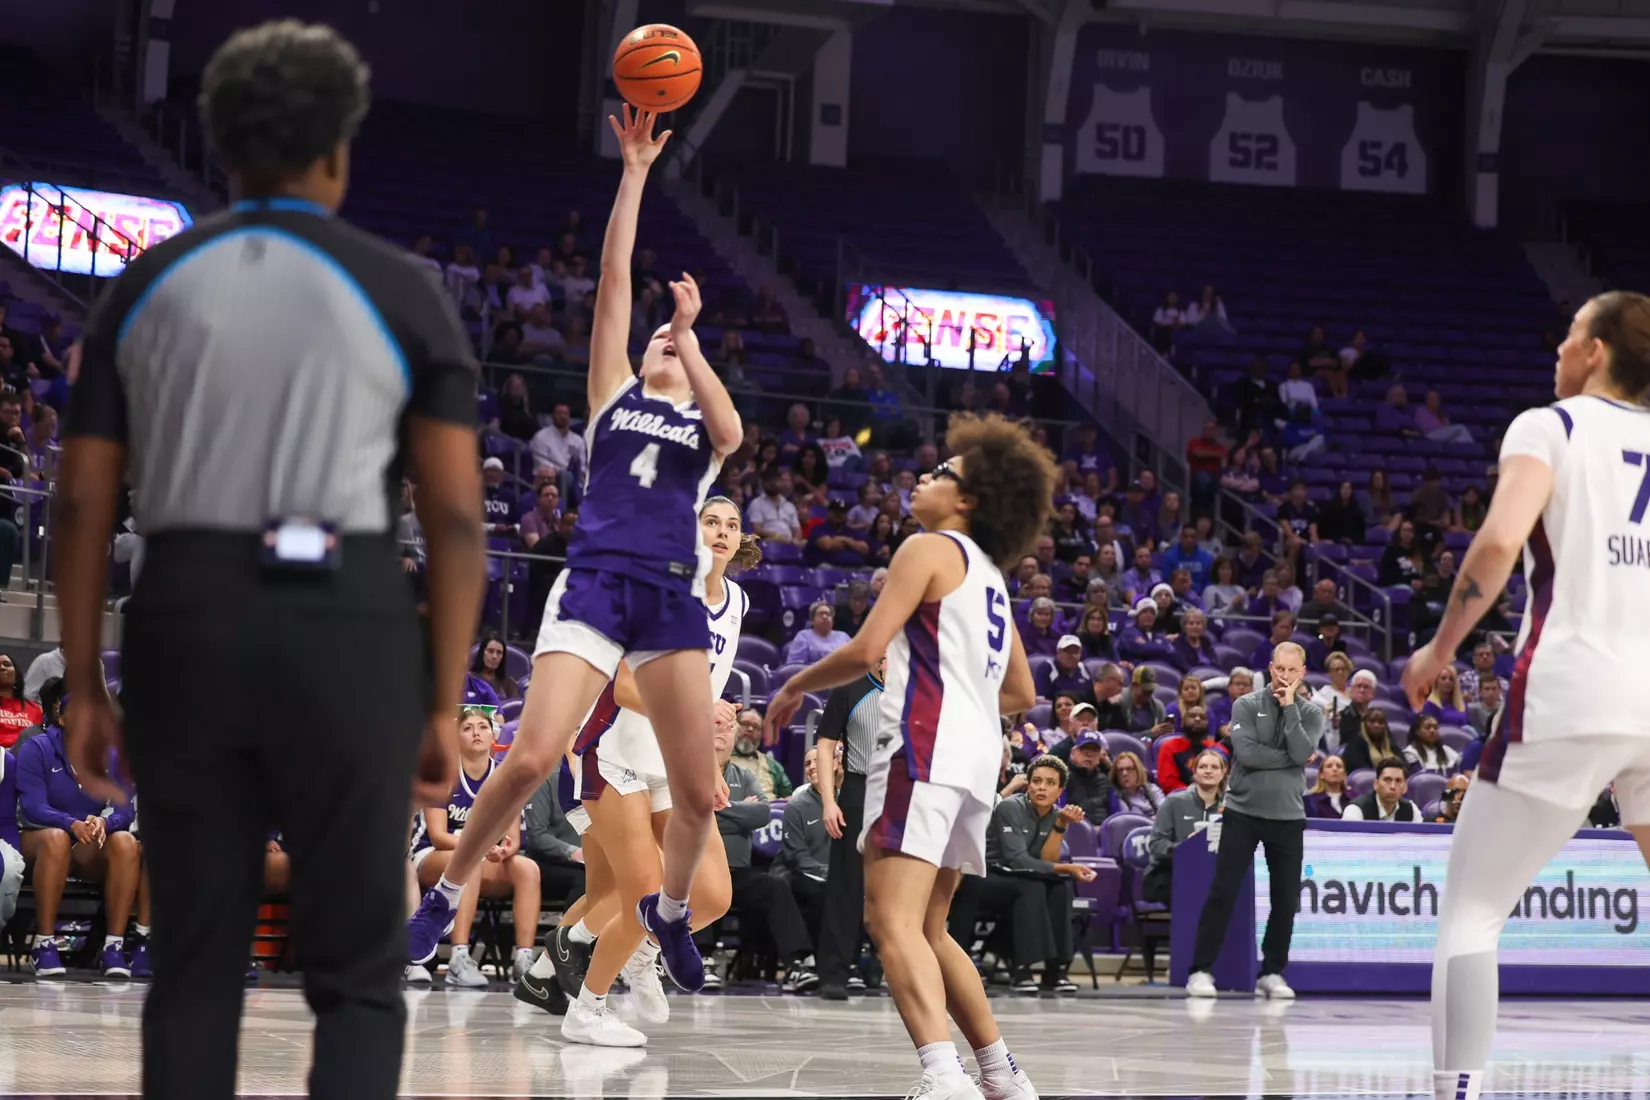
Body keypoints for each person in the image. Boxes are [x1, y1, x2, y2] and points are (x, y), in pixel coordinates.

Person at [55, 23, 490, 1100]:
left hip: (185, 609)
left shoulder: (148, 282)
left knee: (195, 961)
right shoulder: (401, 289)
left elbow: (79, 497)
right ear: (339, 149)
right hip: (343, 616)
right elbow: (458, 522)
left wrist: (85, 680)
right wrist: (440, 698)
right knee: (357, 968)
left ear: (219, 145)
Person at [408, 105, 742, 996]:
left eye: (673, 344)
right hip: (594, 586)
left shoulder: (700, 428)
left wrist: (695, 339)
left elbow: (734, 431)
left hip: (668, 597)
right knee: (526, 756)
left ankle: (668, 913)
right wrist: (634, 172)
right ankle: (444, 893)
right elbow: (612, 279)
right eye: (657, 341)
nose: (661, 342)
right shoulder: (612, 399)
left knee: (702, 794)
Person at [1398, 292, 1650, 1100]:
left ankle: (1456, 1092)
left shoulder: (1554, 424)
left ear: (1599, 350)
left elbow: (1503, 538)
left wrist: (1441, 648)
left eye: (1571, 335)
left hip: (1573, 691)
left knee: (1471, 910)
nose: (1559, 350)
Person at [765, 413, 1055, 1100]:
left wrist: (794, 685)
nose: (926, 477)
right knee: (931, 926)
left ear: (968, 500)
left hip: (924, 745)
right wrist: (962, 698)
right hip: (977, 756)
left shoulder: (928, 548)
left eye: (943, 472)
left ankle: (942, 1075)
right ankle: (1001, 1073)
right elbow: (1021, 690)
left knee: (889, 921)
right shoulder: (991, 577)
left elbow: (866, 651)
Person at [530, 496, 752, 1045]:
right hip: (612, 752)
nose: (722, 533)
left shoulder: (738, 601)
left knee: (713, 895)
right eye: (710, 522)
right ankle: (587, 1010)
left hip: (671, 762)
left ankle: (645, 952)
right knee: (644, 893)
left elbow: (708, 690)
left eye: (731, 525)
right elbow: (624, 685)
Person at [1186, 643, 1322, 1000]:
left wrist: (1289, 708)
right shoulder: (1245, 704)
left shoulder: (1311, 713)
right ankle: (1200, 970)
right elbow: (1246, 753)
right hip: (1243, 813)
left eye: (1292, 671)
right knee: (1224, 891)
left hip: (1288, 816)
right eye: (1280, 669)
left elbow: (1298, 751)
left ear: (1302, 673)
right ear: (1270, 668)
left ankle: (1272, 972)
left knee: (1285, 898)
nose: (1285, 677)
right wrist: (1294, 758)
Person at [408, 709, 541, 987]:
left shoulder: (504, 778)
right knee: (469, 861)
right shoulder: (445, 773)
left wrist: (504, 850)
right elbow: (438, 835)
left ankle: (524, 959)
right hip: (430, 856)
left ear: (494, 737)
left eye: (483, 727)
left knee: (528, 869)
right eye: (468, 728)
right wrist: (481, 848)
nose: (477, 732)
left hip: (479, 857)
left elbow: (513, 839)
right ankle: (459, 957)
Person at [948, 754, 1093, 995]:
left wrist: (1061, 826)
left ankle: (1055, 971)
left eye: (1049, 783)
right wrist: (1067, 868)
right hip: (987, 875)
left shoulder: (1056, 814)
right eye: (1036, 781)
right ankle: (1022, 969)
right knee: (1031, 887)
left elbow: (1046, 861)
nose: (1042, 788)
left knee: (1059, 888)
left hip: (1021, 876)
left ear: (1060, 790)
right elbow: (1017, 859)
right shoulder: (1010, 807)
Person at [813, 656, 885, 1000]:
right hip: (859, 787)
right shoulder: (850, 687)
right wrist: (830, 799)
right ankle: (835, 971)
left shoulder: (915, 687)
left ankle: (888, 967)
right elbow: (825, 744)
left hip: (902, 790)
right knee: (846, 882)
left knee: (896, 885)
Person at [1143, 748, 1227, 903]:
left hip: (1211, 873)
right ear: (1194, 773)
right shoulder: (1173, 802)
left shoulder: (1230, 809)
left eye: (1214, 767)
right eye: (1202, 767)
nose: (1208, 771)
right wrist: (1185, 848)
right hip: (1171, 873)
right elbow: (1156, 844)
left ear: (1223, 773)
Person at [1342, 757, 1422, 821]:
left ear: (1405, 787)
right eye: (1387, 780)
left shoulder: (1411, 809)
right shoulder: (1355, 810)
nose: (1392, 786)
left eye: (1398, 781)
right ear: (1376, 784)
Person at [1305, 755, 1351, 819]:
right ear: (1321, 775)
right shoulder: (1310, 800)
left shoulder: (1354, 798)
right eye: (1329, 766)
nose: (1335, 769)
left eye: (1339, 766)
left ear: (1344, 774)